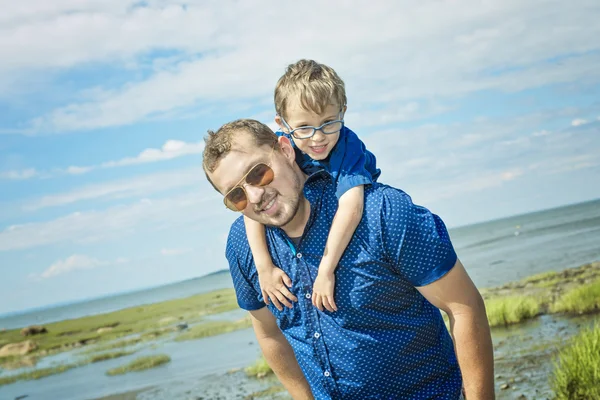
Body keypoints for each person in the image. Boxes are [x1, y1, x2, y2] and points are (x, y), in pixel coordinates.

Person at [202, 119, 495, 399]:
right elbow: (270, 337)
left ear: (286, 150)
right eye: (236, 195)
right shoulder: (243, 245)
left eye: (257, 173)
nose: (254, 196)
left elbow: (464, 307)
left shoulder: (382, 212)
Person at [245, 60, 380, 314]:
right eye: (304, 127)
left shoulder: (347, 145)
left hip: (352, 189)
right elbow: (254, 203)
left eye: (329, 122)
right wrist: (264, 267)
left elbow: (351, 206)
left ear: (343, 112)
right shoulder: (279, 147)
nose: (318, 137)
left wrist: (326, 271)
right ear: (283, 124)